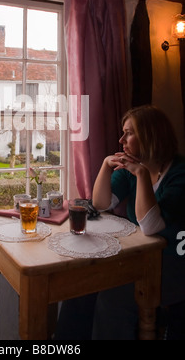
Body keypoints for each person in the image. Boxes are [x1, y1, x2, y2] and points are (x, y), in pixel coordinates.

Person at [55, 105, 185, 340]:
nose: (121, 139)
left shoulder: (179, 174)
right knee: (79, 287)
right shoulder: (130, 169)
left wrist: (143, 175)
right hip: (141, 256)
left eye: (129, 133)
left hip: (172, 264)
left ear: (150, 135)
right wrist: (106, 166)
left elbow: (151, 226)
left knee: (111, 297)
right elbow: (102, 202)